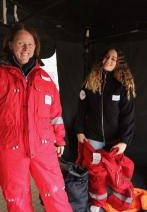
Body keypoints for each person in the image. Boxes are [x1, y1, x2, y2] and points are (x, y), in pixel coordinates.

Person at [0, 24, 72, 212]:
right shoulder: (1, 76)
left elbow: (55, 114)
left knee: (56, 192)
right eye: (21, 43)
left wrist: (59, 138)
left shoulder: (45, 78)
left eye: (30, 44)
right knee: (17, 198)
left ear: (36, 47)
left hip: (43, 145)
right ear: (10, 44)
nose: (26, 48)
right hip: (11, 146)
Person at [76, 48, 136, 212]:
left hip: (114, 141)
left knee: (113, 172)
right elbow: (82, 109)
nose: (109, 60)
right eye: (107, 57)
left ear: (119, 63)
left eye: (114, 58)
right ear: (102, 59)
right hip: (93, 138)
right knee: (96, 173)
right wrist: (79, 130)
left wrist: (124, 141)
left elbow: (128, 117)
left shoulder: (122, 86)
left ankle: (115, 200)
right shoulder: (91, 81)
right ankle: (97, 204)